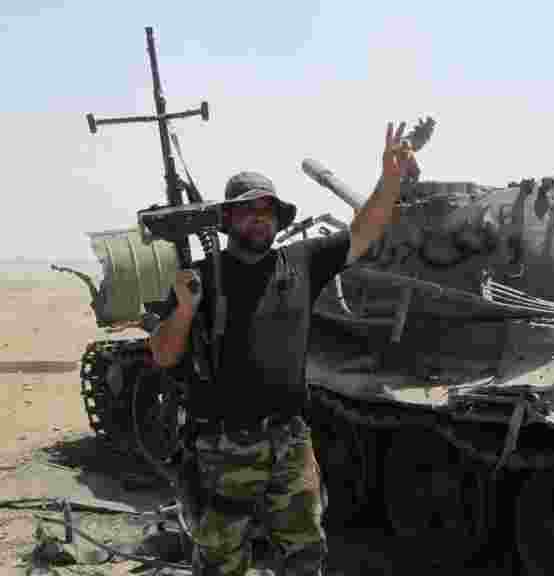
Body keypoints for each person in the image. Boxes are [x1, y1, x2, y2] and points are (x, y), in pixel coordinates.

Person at [148, 121, 418, 575]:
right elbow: (162, 354)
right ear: (229, 220)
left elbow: (364, 232)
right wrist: (185, 308)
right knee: (221, 561)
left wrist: (389, 180)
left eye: (267, 210)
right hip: (223, 447)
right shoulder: (200, 276)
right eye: (248, 210)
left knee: (306, 554)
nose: (259, 217)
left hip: (290, 440)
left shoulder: (301, 263)